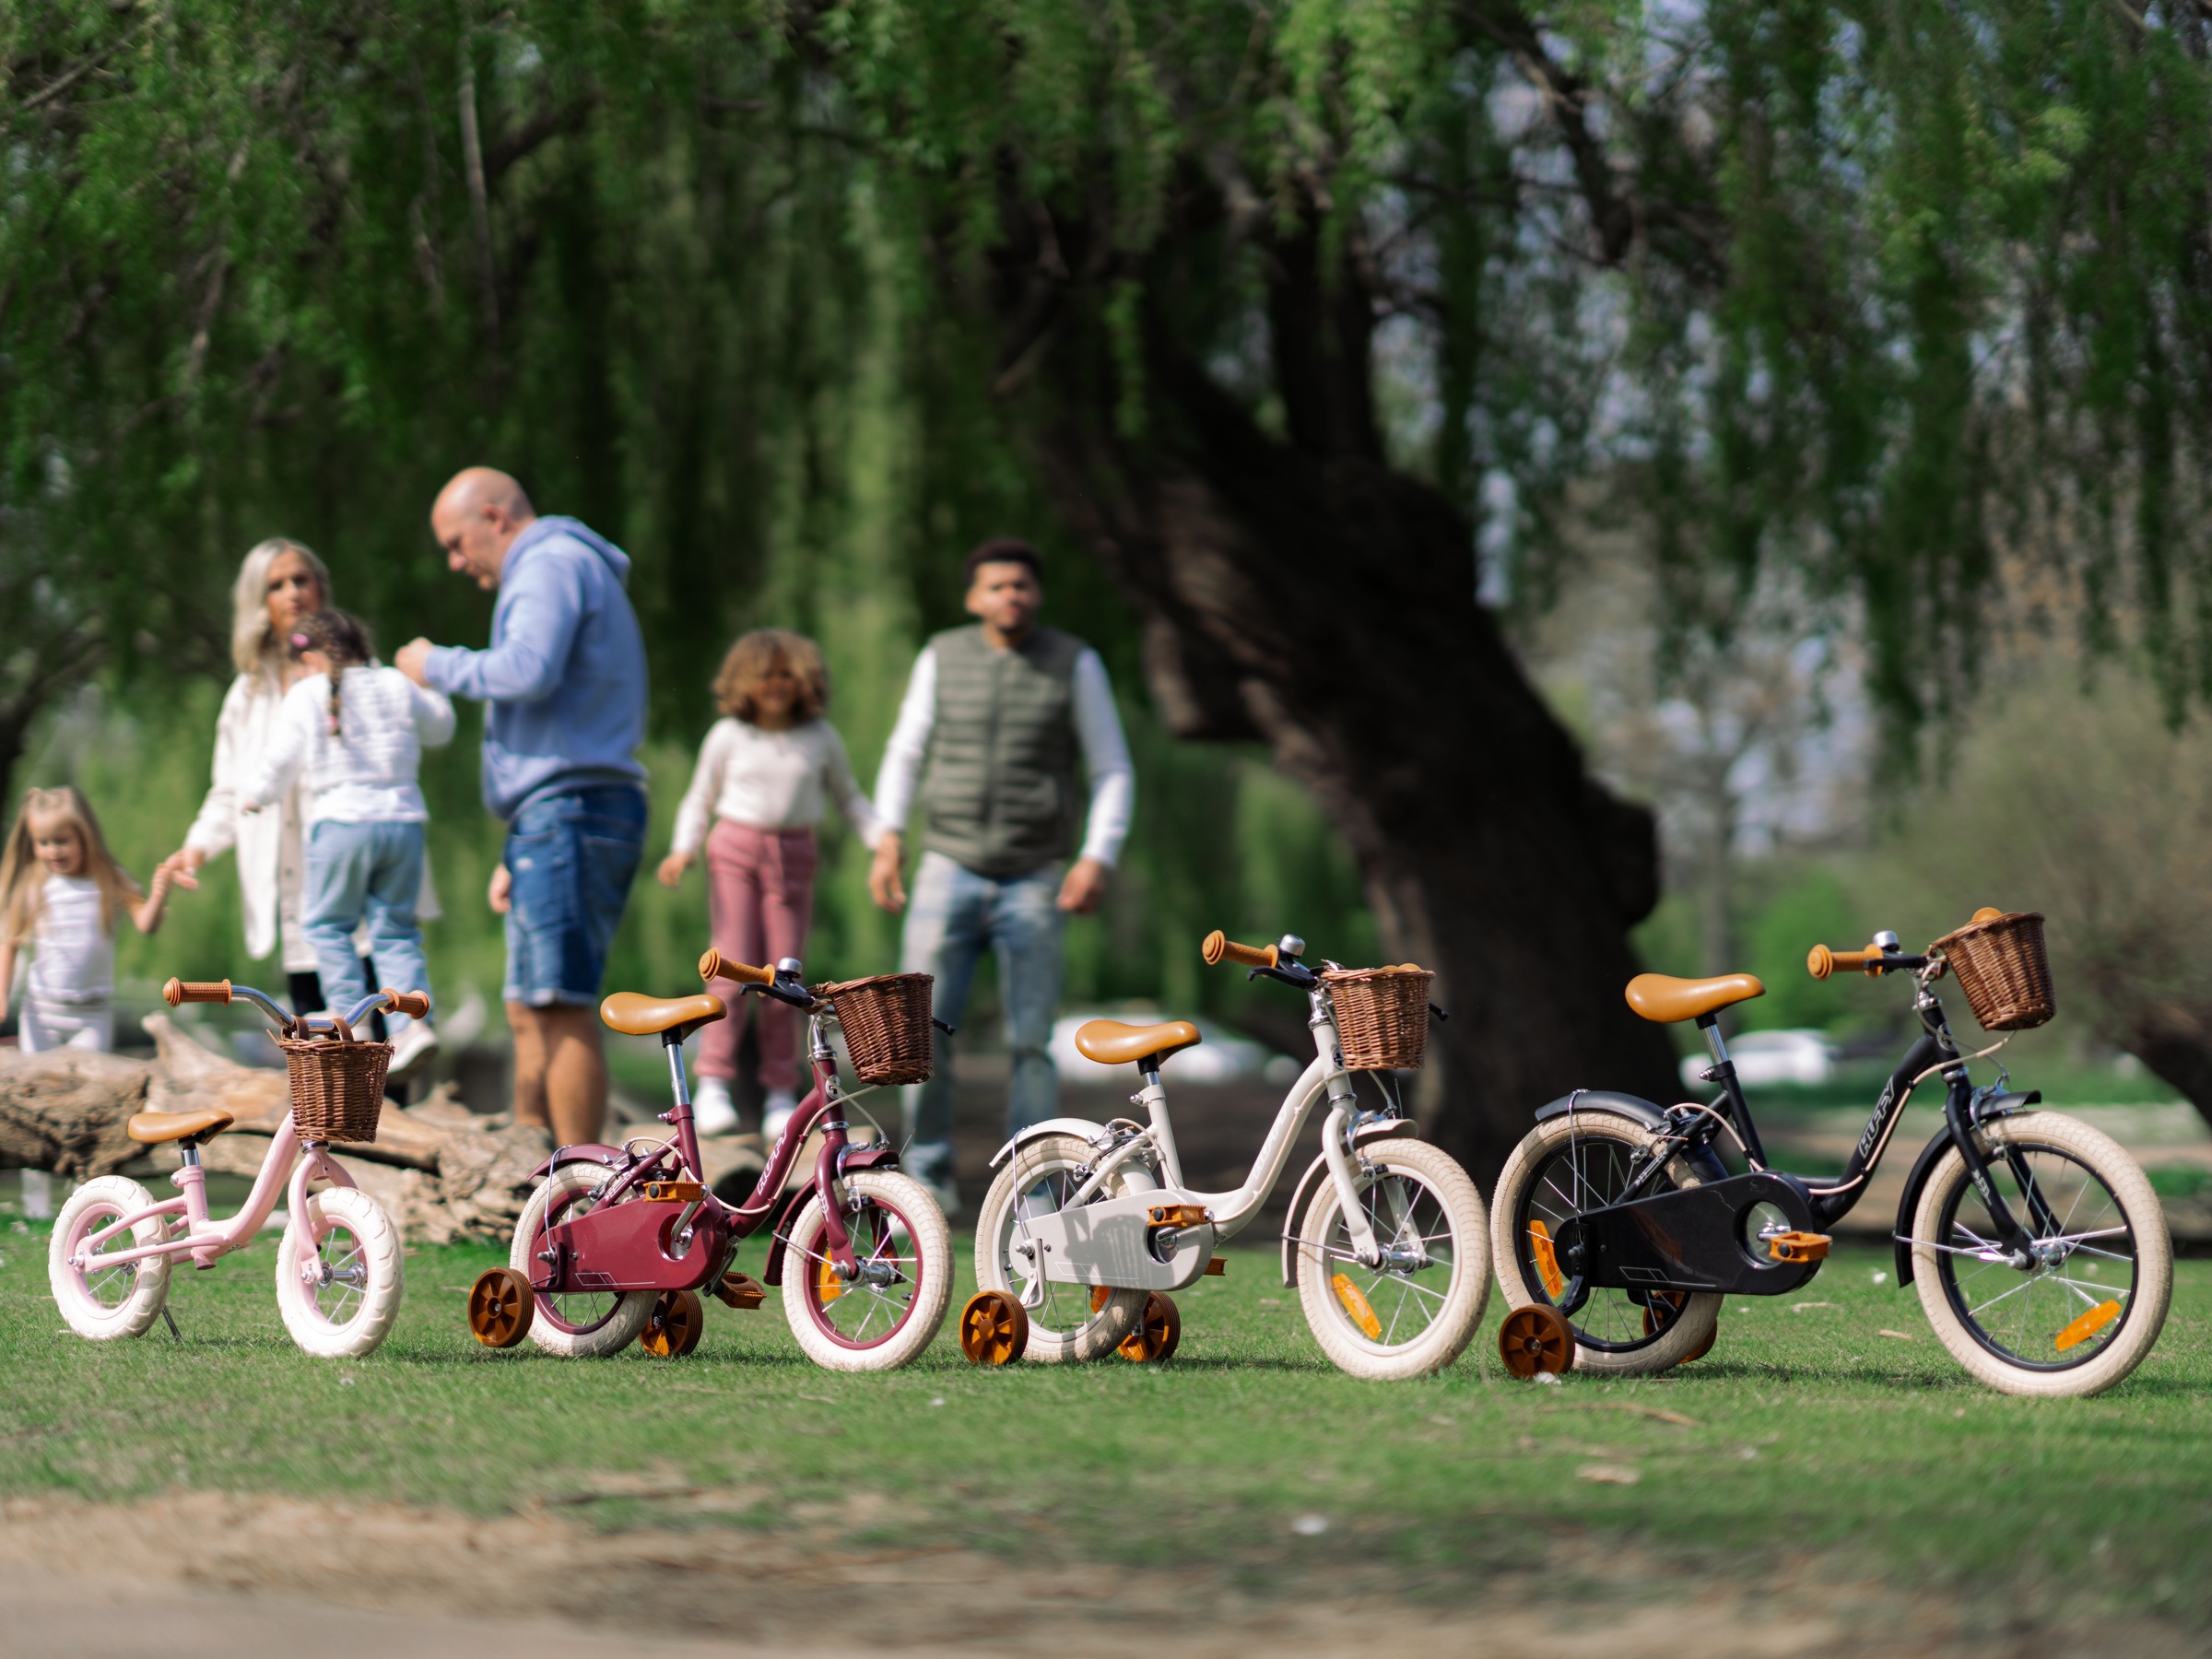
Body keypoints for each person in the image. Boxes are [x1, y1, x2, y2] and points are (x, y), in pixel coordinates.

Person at [869, 539, 1134, 1211]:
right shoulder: (942, 656)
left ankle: (1034, 1193)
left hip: (1035, 874)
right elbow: (905, 749)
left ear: (1035, 595)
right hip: (947, 864)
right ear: (973, 598)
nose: (1009, 596)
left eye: (1020, 586)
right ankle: (924, 1185)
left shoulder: (1075, 663)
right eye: (996, 587)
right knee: (920, 1032)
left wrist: (1097, 854)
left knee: (1030, 1044)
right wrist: (888, 836)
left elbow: (1111, 769)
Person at [395, 468, 648, 1148]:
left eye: (457, 542)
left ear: (494, 515)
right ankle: (530, 1181)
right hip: (557, 814)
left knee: (560, 1007)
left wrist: (433, 664)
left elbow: (527, 669)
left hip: (572, 809)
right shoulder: (568, 565)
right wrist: (521, 844)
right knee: (527, 1008)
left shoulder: (548, 564)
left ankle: (576, 1192)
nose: (455, 561)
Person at [659, 629, 882, 1140]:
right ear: (747, 681)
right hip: (735, 846)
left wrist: (882, 840)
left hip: (794, 855)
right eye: (767, 675)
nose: (778, 685)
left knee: (784, 975)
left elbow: (850, 798)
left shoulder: (819, 737)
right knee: (731, 964)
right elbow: (698, 797)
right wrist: (682, 848)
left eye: (787, 674)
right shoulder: (729, 735)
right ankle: (714, 1078)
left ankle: (780, 1089)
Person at [240, 610, 454, 1076]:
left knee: (327, 926)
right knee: (396, 931)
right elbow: (441, 728)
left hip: (341, 825)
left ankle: (348, 1024)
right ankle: (412, 1027)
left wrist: (255, 796)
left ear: (311, 657)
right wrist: (430, 681)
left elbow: (281, 760)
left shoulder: (306, 693)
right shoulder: (398, 684)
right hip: (403, 824)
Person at [0, 785, 174, 1053]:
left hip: (91, 1016)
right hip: (41, 1013)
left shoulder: (107, 879)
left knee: (89, 1086)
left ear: (84, 836)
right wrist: (2, 994)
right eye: (42, 843)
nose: (53, 851)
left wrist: (159, 897)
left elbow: (146, 924)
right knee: (38, 1087)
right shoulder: (34, 884)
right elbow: (8, 942)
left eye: (62, 840)